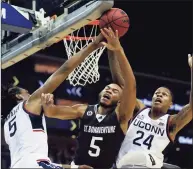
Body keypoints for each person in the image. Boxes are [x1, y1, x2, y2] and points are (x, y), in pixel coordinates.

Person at [3, 34, 104, 168]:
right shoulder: (28, 104)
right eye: (26, 93)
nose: (30, 94)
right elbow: (63, 70)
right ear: (19, 97)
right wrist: (93, 45)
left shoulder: (6, 125)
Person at [41, 27, 137, 168]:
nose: (109, 91)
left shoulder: (121, 116)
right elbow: (51, 113)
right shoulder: (84, 110)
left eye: (115, 91)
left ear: (121, 100)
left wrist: (118, 50)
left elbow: (131, 85)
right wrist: (48, 106)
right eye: (107, 88)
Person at [114, 54, 192, 168]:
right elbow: (123, 87)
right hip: (123, 164)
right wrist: (113, 51)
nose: (159, 95)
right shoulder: (138, 109)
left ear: (170, 104)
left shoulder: (171, 122)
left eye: (164, 94)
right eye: (157, 93)